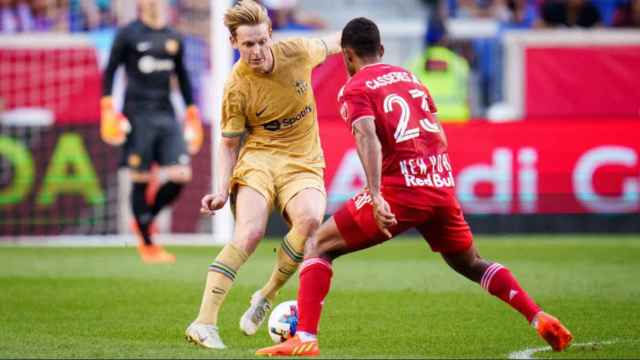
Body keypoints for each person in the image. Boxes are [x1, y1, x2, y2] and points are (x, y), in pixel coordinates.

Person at [255, 17, 573, 357]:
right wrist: (434, 177)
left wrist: (376, 194)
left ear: (347, 56)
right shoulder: (411, 77)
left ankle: (305, 338)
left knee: (318, 244)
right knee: (471, 262)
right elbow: (439, 134)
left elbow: (366, 134)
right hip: (439, 183)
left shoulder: (355, 88)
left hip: (399, 190)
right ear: (381, 49)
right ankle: (538, 316)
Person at [184, 0, 340, 350]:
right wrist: (221, 190)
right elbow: (228, 145)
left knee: (311, 221)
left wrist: (361, 37)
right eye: (247, 44)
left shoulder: (297, 51)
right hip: (259, 159)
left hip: (303, 160)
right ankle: (203, 323)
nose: (255, 51)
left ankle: (266, 294)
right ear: (233, 44)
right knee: (250, 232)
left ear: (270, 34)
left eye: (260, 41)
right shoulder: (237, 87)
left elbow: (336, 41)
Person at [101, 0, 203, 263]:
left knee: (181, 174)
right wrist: (108, 107)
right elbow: (110, 70)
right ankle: (148, 244)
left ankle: (145, 220)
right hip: (138, 115)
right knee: (141, 178)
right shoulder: (128, 34)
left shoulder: (173, 36)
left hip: (167, 114)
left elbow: (182, 76)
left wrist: (192, 111)